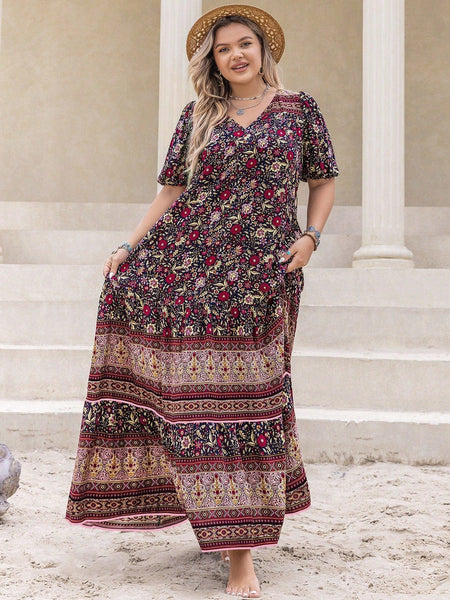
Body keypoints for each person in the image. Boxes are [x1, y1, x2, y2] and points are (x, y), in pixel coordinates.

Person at [66, 4, 339, 598]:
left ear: (264, 49)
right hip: (188, 266)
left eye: (245, 44)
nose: (236, 54)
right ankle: (227, 538)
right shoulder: (197, 115)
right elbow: (171, 190)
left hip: (262, 273)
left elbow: (323, 180)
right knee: (195, 403)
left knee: (248, 404)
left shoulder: (300, 109)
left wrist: (311, 238)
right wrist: (128, 245)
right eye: (223, 49)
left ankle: (238, 544)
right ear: (213, 61)